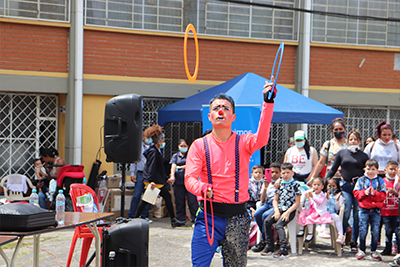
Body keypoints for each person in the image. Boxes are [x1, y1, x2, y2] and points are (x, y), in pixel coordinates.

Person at [185, 80, 275, 266]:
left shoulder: (244, 142)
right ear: (209, 116)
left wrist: (268, 103)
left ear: (233, 116)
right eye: (217, 107)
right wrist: (201, 188)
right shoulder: (199, 145)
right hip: (208, 217)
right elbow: (190, 178)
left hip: (238, 218)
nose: (221, 111)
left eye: (225, 108)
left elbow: (263, 137)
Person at [326, 129, 369, 251]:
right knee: (345, 210)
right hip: (345, 186)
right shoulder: (342, 153)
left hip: (359, 188)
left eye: (356, 139)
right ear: (348, 141)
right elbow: (333, 169)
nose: (353, 141)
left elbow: (367, 172)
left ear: (360, 141)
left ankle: (354, 241)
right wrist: (326, 180)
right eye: (351, 139)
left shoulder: (364, 156)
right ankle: (343, 232)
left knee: (356, 214)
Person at [134, 125, 184, 227]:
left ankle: (135, 219)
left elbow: (158, 169)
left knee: (150, 200)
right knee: (147, 200)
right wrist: (152, 181)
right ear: (159, 141)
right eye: (163, 139)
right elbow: (152, 167)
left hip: (157, 181)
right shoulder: (154, 152)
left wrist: (166, 178)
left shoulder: (156, 151)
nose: (164, 141)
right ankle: (134, 219)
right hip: (155, 182)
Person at [263, 163, 301, 258]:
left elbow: (297, 203)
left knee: (279, 225)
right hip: (279, 209)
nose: (285, 175)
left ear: (293, 173)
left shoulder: (296, 184)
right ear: (281, 174)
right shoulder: (280, 184)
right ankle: (270, 246)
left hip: (290, 211)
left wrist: (287, 212)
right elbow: (275, 199)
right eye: (283, 173)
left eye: (288, 172)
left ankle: (284, 249)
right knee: (267, 221)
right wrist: (276, 211)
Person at [353, 159, 387, 261]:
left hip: (376, 210)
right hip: (364, 209)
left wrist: (375, 193)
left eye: (373, 169)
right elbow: (356, 193)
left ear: (377, 170)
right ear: (364, 169)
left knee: (375, 231)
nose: (370, 171)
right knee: (363, 230)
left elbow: (383, 195)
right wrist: (364, 193)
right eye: (368, 169)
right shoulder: (361, 180)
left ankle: (373, 250)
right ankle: (362, 250)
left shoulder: (381, 181)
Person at [252, 162, 281, 253]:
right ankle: (266, 239)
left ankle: (266, 242)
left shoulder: (282, 182)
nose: (274, 174)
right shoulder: (266, 183)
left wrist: (279, 182)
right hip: (267, 204)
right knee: (257, 214)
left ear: (280, 173)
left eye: (276, 172)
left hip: (276, 205)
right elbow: (262, 200)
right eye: (272, 172)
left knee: (265, 216)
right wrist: (265, 187)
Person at [309, 118, 348, 183]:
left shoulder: (349, 144)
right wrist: (313, 178)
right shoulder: (328, 144)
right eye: (336, 129)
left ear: (345, 129)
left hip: (345, 179)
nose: (338, 131)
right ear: (332, 131)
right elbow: (321, 162)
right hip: (331, 179)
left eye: (340, 129)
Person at [169, 139, 198, 223]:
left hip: (189, 181)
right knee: (179, 200)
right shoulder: (175, 156)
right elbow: (173, 165)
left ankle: (195, 219)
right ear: (178, 146)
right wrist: (172, 175)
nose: (183, 147)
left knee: (192, 201)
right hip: (178, 182)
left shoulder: (190, 155)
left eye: (185, 146)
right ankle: (181, 219)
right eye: (182, 146)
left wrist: (180, 167)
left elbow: (190, 165)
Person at [297, 177, 332, 243]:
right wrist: (308, 199)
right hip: (311, 210)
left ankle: (310, 233)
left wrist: (312, 197)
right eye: (314, 184)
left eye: (318, 185)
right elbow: (309, 204)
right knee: (301, 214)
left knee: (309, 219)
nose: (316, 186)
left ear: (322, 187)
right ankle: (301, 230)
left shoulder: (322, 195)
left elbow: (319, 203)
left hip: (319, 212)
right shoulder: (312, 193)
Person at [127, 131, 152, 221]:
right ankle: (132, 215)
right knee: (137, 195)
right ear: (143, 137)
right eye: (147, 136)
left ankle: (145, 216)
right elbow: (134, 161)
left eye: (150, 137)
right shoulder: (138, 147)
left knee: (148, 195)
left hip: (150, 174)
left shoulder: (154, 147)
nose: (149, 139)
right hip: (140, 173)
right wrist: (132, 173)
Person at [381, 161, 400, 256]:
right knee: (388, 231)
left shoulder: (398, 181)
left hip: (397, 212)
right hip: (386, 212)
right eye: (391, 169)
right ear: (385, 170)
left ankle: (398, 249)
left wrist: (394, 191)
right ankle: (387, 248)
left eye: (395, 169)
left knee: (398, 232)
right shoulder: (382, 181)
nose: (393, 171)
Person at [323, 178, 345, 244]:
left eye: (334, 186)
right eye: (329, 186)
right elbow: (322, 205)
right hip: (324, 213)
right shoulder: (323, 195)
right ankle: (323, 230)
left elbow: (337, 208)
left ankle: (341, 235)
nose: (331, 188)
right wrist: (327, 198)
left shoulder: (339, 196)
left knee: (337, 218)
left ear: (337, 187)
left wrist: (337, 200)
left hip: (332, 213)